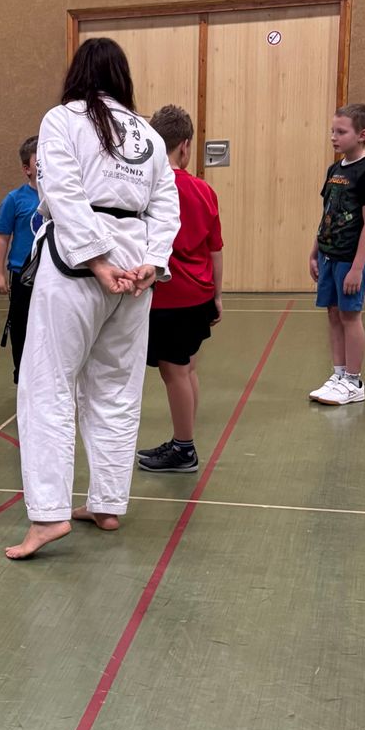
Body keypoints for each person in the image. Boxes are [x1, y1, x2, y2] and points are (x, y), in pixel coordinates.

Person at [7, 38, 179, 561]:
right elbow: (165, 204)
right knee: (116, 388)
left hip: (81, 264)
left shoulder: (64, 119)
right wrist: (153, 260)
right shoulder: (148, 134)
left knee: (49, 385)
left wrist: (98, 261)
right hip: (134, 266)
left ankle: (49, 516)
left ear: (79, 72)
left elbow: (60, 190)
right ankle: (106, 504)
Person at [137, 106, 223, 474]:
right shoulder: (204, 189)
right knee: (187, 369)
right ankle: (182, 438)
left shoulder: (147, 190)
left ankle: (184, 448)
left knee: (174, 372)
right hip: (199, 295)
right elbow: (215, 248)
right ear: (185, 146)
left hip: (169, 298)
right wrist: (218, 295)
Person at [308, 105, 365, 405]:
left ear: (362, 135)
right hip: (328, 255)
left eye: (341, 132)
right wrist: (315, 250)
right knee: (333, 313)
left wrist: (357, 267)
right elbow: (328, 212)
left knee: (350, 316)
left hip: (350, 259)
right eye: (332, 131)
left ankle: (354, 380)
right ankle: (338, 374)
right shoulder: (335, 170)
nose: (333, 137)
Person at [0, 136, 42, 383]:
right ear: (27, 169)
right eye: (39, 160)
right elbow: (1, 237)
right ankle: (22, 374)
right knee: (22, 326)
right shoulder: (15, 199)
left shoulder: (61, 197)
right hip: (23, 274)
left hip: (53, 273)